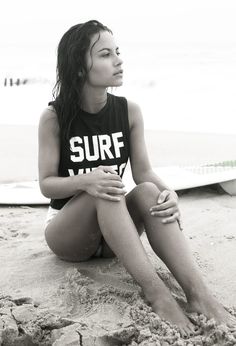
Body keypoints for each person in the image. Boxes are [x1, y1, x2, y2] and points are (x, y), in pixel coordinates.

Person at [38, 20, 235, 336]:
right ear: (79, 67)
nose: (118, 60)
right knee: (104, 186)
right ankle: (158, 295)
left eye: (117, 52)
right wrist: (86, 181)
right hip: (69, 232)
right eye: (105, 54)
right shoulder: (54, 117)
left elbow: (143, 172)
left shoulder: (129, 112)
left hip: (115, 233)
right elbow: (46, 182)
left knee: (146, 191)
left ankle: (199, 295)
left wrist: (169, 193)